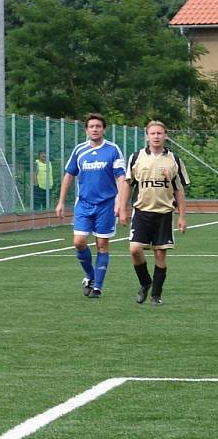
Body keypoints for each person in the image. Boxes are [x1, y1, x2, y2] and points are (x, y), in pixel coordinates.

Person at [118, 121, 189, 306]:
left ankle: (156, 295)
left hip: (164, 213)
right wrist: (121, 208)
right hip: (141, 212)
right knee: (134, 249)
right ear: (147, 135)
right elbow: (127, 183)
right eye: (153, 133)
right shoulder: (136, 158)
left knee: (160, 254)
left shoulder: (174, 159)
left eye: (160, 133)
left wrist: (182, 216)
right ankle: (145, 283)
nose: (156, 136)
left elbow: (179, 190)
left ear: (165, 135)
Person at [56, 113, 126, 298]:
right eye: (91, 126)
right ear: (86, 130)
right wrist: (61, 201)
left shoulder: (112, 149)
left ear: (104, 129)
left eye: (98, 126)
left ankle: (98, 287)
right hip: (84, 204)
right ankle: (90, 276)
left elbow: (121, 176)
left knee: (102, 244)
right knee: (79, 242)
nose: (95, 129)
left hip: (106, 205)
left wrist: (120, 201)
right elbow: (69, 175)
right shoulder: (79, 150)